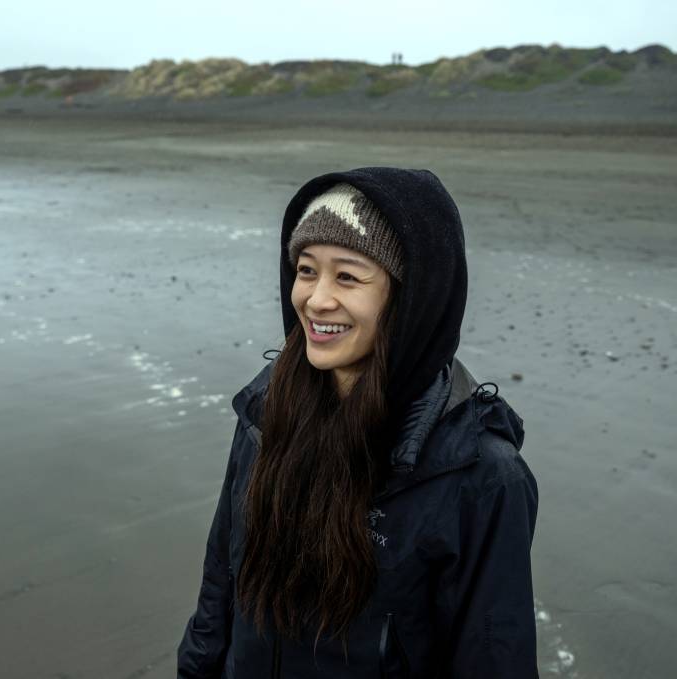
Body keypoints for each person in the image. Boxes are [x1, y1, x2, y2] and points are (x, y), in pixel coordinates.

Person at [177, 167, 539, 678]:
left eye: (347, 276)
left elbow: (494, 659)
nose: (317, 299)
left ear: (411, 297)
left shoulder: (479, 475)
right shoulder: (266, 413)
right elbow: (220, 585)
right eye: (306, 270)